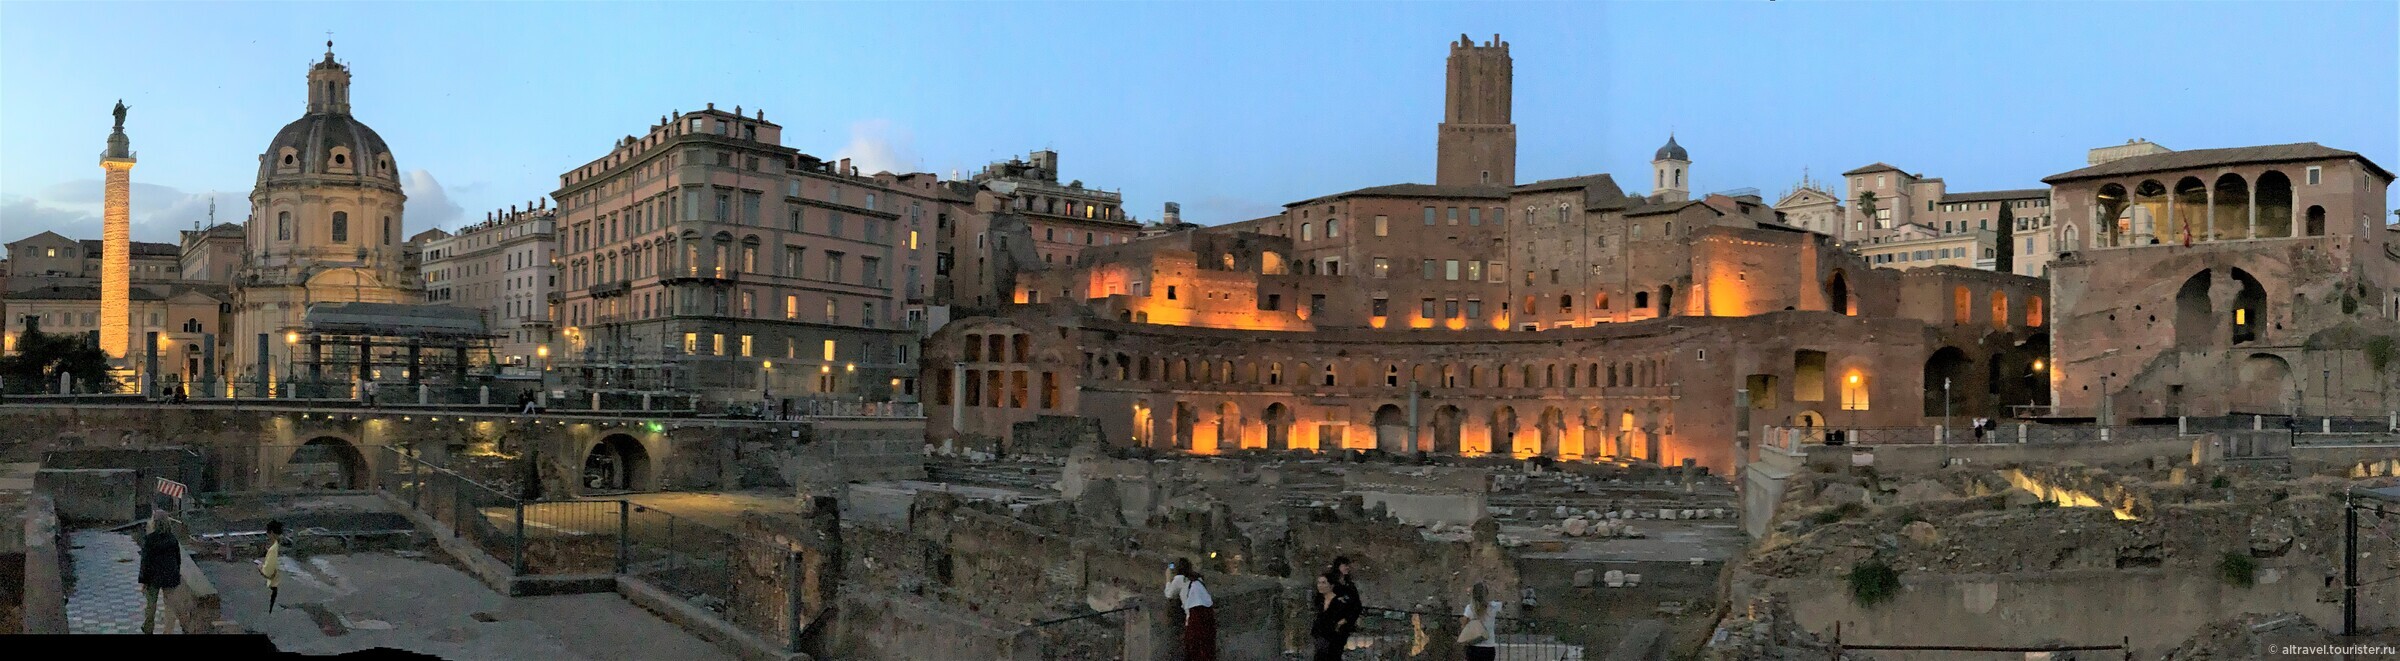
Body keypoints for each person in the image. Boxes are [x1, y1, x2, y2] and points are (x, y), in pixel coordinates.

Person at [137, 510, 183, 634]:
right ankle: (168, 631)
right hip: (170, 576)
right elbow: (178, 559)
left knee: (151, 604)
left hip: (153, 577)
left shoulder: (150, 539)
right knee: (170, 606)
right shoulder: (172, 539)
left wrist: (143, 581)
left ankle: (148, 627)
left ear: (154, 523)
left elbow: (145, 562)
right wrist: (176, 574)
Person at [1163, 557, 1216, 661]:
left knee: (1193, 646)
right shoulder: (1197, 578)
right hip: (1208, 614)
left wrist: (1168, 579)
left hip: (1194, 615)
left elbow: (1169, 594)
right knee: (1206, 645)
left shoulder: (1179, 579)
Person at [1315, 557, 1362, 660]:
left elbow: (1357, 606)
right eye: (1345, 565)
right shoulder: (1332, 583)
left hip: (1342, 627)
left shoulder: (1350, 586)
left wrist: (1347, 619)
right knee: (1324, 652)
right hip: (1328, 624)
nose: (1347, 568)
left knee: (1335, 652)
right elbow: (1321, 600)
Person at [1458, 582, 1500, 661]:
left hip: (1473, 647)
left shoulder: (1469, 608)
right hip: (1489, 647)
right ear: (1487, 593)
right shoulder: (1493, 607)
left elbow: (1463, 625)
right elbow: (1503, 602)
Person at [261, 520, 285, 613]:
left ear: (271, 533)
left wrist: (260, 567)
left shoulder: (272, 550)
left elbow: (267, 573)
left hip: (273, 585)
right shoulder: (277, 545)